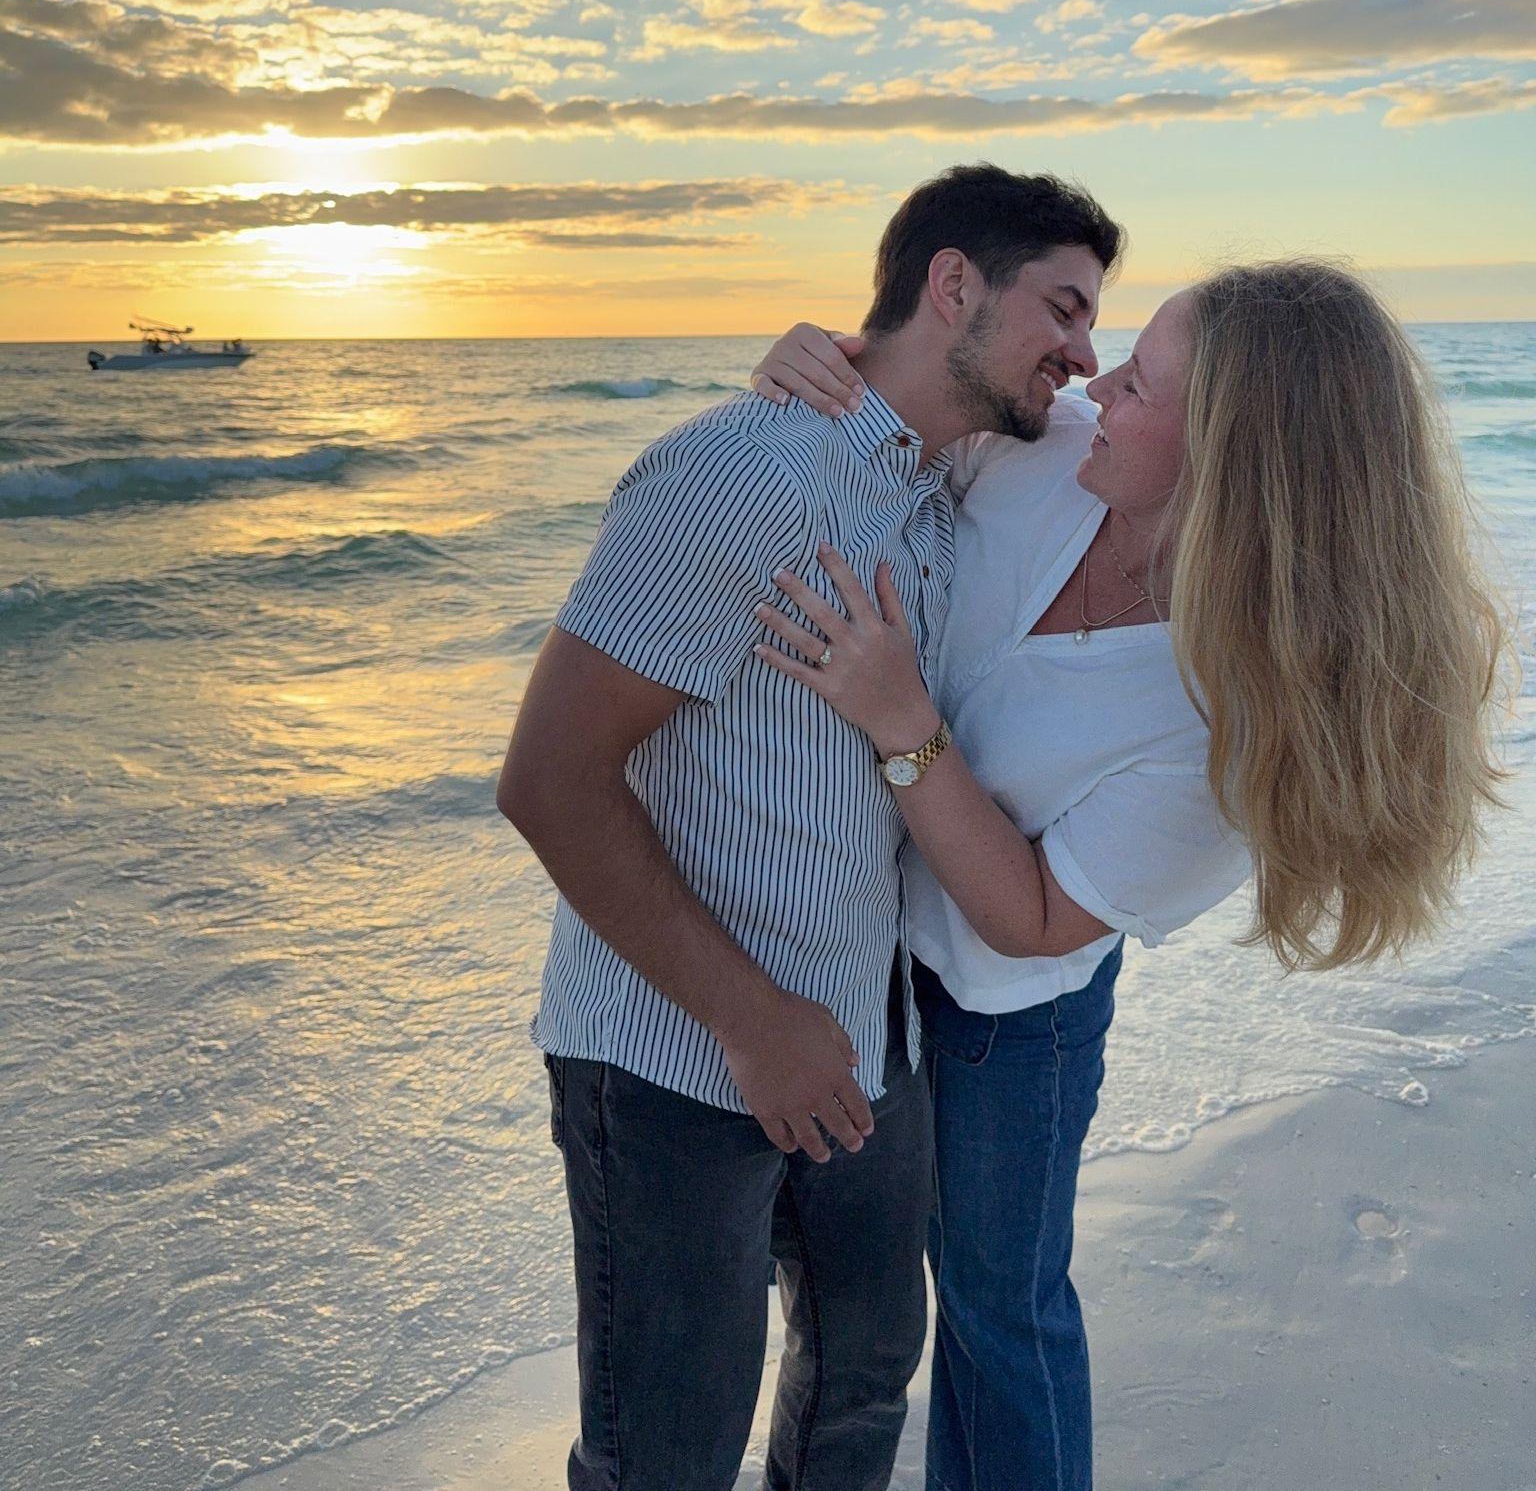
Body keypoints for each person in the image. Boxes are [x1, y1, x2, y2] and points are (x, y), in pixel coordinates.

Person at [749, 259, 1509, 1491]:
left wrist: (902, 721)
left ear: (1229, 459)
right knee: (846, 1296)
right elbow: (903, 420)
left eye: (1145, 383)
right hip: (850, 949)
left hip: (1012, 1023)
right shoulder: (1057, 448)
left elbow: (1038, 918)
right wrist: (815, 367)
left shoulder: (1233, 723)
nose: (1099, 384)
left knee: (999, 1310)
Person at [496, 165, 1125, 1491]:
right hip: (675, 1059)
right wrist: (753, 1019)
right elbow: (550, 779)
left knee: (855, 1402)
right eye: (1063, 308)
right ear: (954, 282)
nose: (1085, 353)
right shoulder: (740, 470)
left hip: (868, 1043)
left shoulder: (948, 478)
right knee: (662, 1449)